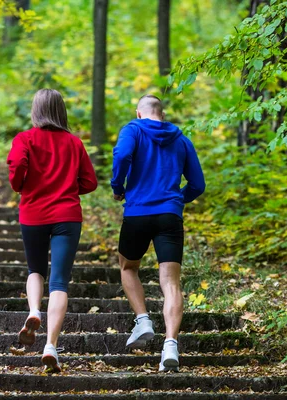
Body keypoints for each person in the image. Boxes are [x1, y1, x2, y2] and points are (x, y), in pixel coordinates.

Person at [110, 94, 205, 372]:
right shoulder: (181, 139)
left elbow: (123, 154)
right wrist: (176, 199)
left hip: (138, 212)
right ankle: (171, 345)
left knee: (128, 267)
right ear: (161, 114)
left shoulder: (133, 129)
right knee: (171, 282)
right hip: (169, 216)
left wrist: (118, 186)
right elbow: (197, 184)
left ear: (139, 113)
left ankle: (143, 320)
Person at [7, 89, 98, 373]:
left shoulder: (24, 139)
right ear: (61, 111)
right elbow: (91, 182)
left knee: (35, 270)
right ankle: (50, 346)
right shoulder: (74, 142)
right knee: (59, 282)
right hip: (67, 215)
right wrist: (70, 190)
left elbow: (17, 166)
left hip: (33, 213)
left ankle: (34, 310)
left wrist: (22, 184)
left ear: (36, 110)